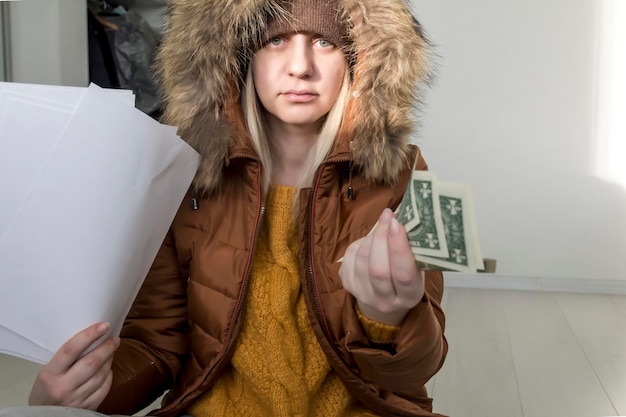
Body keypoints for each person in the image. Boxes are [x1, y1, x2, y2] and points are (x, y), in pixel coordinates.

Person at [1, 0, 447, 416]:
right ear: (238, 55)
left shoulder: (404, 171)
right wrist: (74, 396)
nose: (300, 68)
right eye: (275, 40)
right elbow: (157, 346)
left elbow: (414, 372)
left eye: (324, 42)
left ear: (358, 58)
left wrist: (390, 315)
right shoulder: (186, 173)